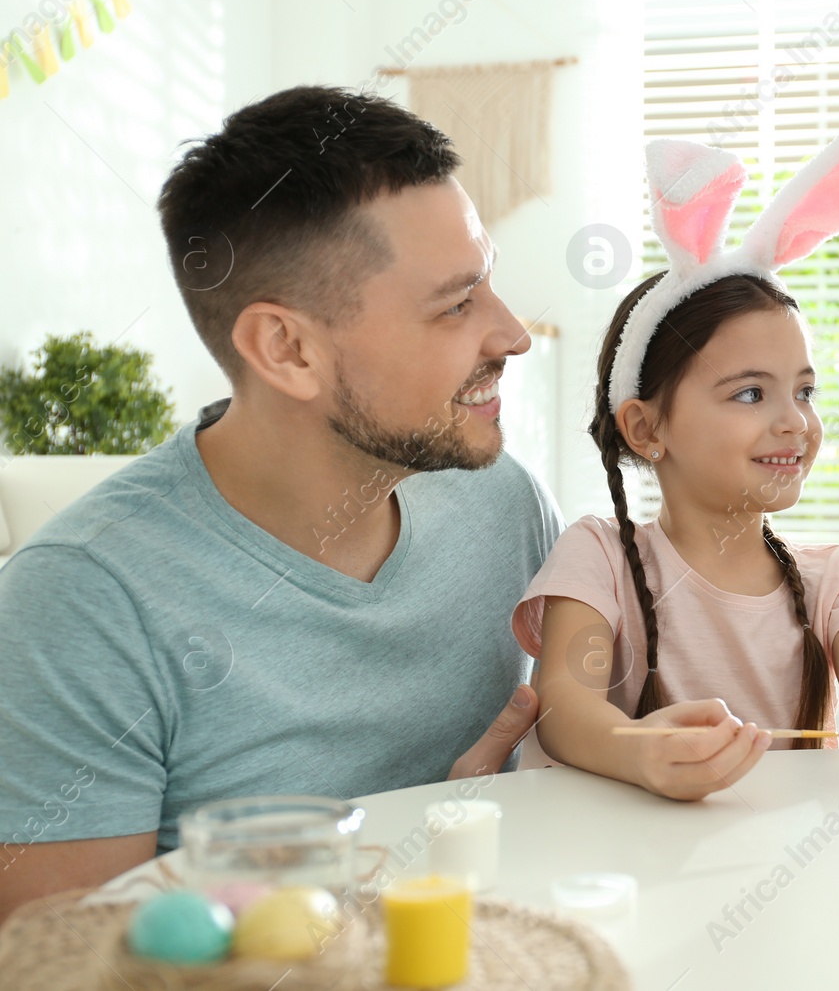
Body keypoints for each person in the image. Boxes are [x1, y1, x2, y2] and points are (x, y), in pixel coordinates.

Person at [0, 86, 561, 923]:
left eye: (490, 285)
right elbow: (61, 967)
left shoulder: (502, 500)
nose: (514, 332)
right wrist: (400, 879)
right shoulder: (81, 606)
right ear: (287, 348)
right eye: (455, 303)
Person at [517, 113, 839, 799]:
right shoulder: (598, 556)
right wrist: (640, 750)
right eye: (749, 393)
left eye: (805, 390)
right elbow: (562, 706)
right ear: (646, 429)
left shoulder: (834, 581)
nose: (795, 421)